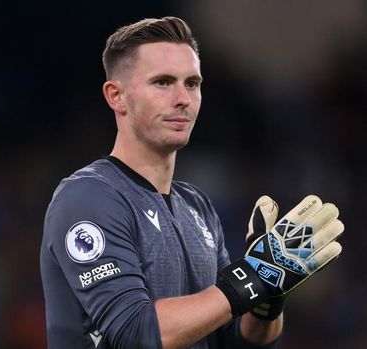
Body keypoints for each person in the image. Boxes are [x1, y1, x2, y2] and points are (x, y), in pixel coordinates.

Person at [40, 16, 344, 349]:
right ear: (117, 96)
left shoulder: (196, 206)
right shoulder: (89, 197)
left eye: (193, 83)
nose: (183, 98)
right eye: (163, 82)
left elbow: (236, 342)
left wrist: (267, 299)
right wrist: (253, 275)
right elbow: (135, 334)